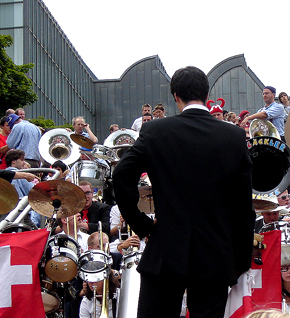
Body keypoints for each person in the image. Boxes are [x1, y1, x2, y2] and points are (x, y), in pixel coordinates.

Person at [112, 66, 254, 318]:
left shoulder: (155, 131)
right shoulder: (233, 136)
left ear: (175, 96)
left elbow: (121, 175)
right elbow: (244, 206)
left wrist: (142, 225)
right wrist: (240, 261)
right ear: (206, 94)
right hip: (215, 253)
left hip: (165, 249)